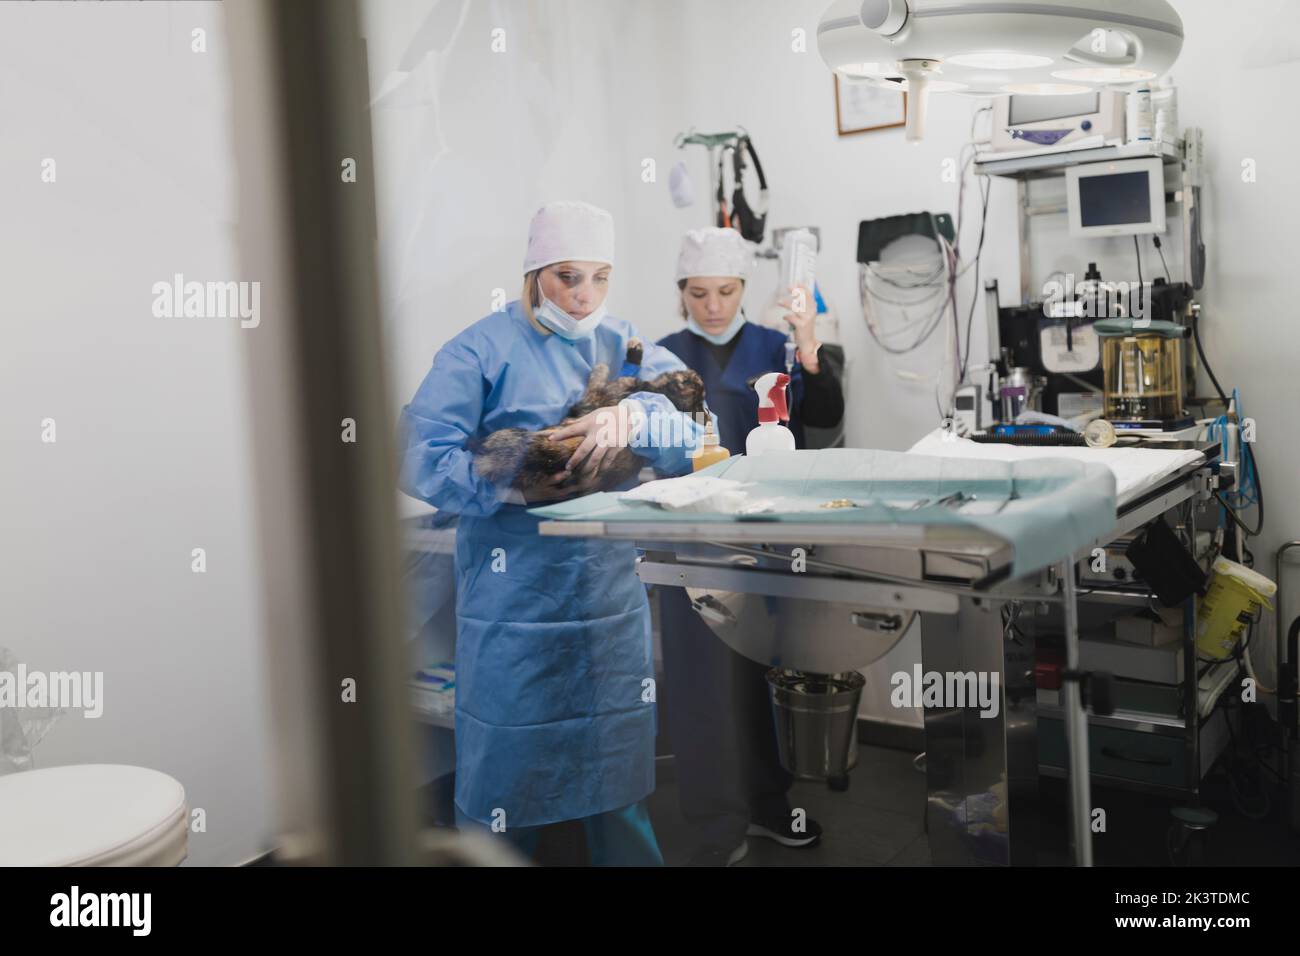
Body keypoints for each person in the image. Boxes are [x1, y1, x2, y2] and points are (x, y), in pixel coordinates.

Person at [398, 201, 709, 865]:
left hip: (606, 600)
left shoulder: (623, 343)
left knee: (616, 781)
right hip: (516, 606)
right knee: (503, 789)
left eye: (599, 277)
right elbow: (417, 453)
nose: (583, 296)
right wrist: (510, 475)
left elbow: (691, 431)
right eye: (567, 276)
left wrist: (638, 420)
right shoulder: (480, 348)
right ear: (535, 271)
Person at [656, 226, 845, 866]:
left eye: (727, 291)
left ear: (744, 289)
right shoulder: (659, 358)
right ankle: (715, 827)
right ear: (682, 293)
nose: (713, 305)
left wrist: (811, 349)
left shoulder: (776, 345)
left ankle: (771, 807)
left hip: (765, 541)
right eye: (699, 293)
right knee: (700, 686)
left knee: (764, 676)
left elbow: (822, 416)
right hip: (692, 543)